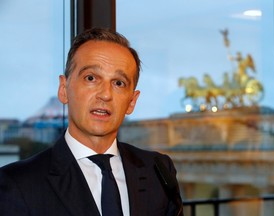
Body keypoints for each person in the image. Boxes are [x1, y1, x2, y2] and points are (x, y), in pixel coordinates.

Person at [0, 28, 183, 216]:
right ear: (64, 89)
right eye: (91, 78)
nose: (105, 94)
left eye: (118, 83)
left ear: (132, 101)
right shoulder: (17, 183)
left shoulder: (158, 171)